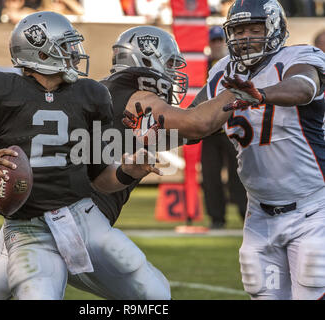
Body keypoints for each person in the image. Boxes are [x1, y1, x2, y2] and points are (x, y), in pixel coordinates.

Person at [0, 24, 240, 300]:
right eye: (169, 64)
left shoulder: (109, 96)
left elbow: (191, 129)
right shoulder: (137, 97)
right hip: (75, 224)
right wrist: (238, 84)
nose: (174, 73)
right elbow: (198, 123)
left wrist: (221, 86)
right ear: (147, 61)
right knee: (154, 296)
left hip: (28, 219)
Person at [0, 12, 163, 300]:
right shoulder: (0, 91)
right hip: (27, 226)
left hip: (83, 218)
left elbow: (100, 180)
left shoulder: (90, 95)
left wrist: (128, 171)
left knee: (154, 293)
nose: (75, 54)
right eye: (66, 46)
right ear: (40, 51)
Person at [128, 0, 325, 300]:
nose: (245, 37)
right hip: (260, 213)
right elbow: (196, 124)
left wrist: (262, 95)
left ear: (274, 28)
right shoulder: (223, 72)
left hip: (313, 208)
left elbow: (303, 87)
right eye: (239, 30)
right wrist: (154, 136)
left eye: (254, 28)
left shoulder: (299, 56)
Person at [201, 26, 247, 229]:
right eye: (214, 41)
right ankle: (216, 218)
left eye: (221, 40)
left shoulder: (235, 65)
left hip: (231, 127)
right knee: (210, 175)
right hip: (210, 129)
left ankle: (245, 214)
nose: (218, 44)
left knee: (238, 174)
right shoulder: (203, 66)